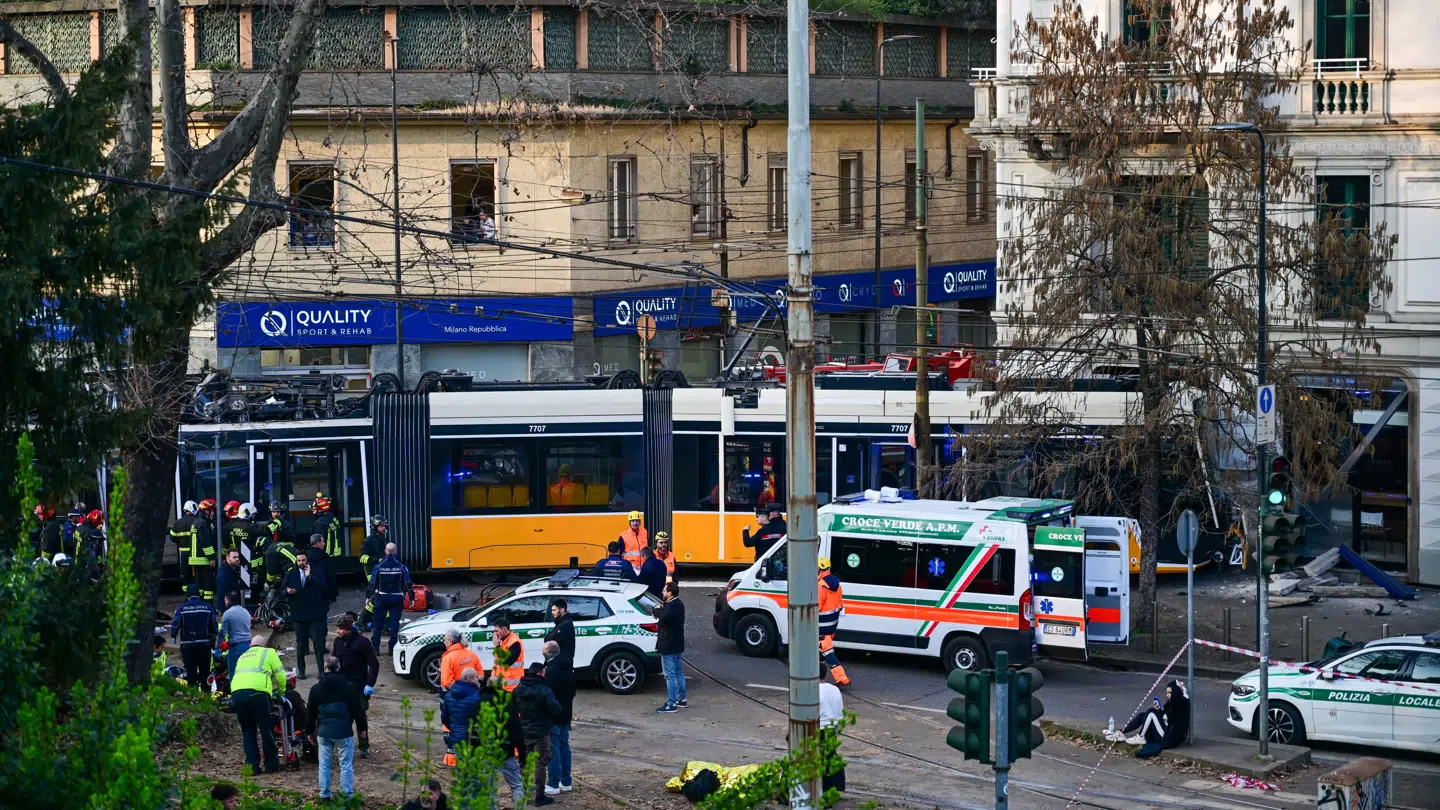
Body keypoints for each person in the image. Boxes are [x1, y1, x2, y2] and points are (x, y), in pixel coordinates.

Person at [306, 655, 367, 802]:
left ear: (325, 668)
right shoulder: (349, 687)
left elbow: (311, 713)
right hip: (343, 731)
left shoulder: (316, 689)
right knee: (345, 765)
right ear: (339, 667)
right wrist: (362, 729)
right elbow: (357, 711)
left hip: (324, 732)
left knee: (324, 764)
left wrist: (309, 731)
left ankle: (325, 794)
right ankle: (347, 795)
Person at [231, 635, 285, 774]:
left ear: (251, 645)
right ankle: (271, 764)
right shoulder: (269, 652)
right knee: (266, 730)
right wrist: (281, 693)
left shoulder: (243, 656)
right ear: (264, 645)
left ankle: (252, 767)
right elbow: (280, 675)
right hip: (258, 694)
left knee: (248, 732)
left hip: (237, 694)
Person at [514, 661, 562, 806]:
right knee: (540, 764)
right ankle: (539, 796)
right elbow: (556, 709)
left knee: (524, 763)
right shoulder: (544, 690)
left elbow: (513, 707)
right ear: (540, 673)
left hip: (524, 731)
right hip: (541, 732)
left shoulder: (517, 689)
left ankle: (523, 793)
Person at [332, 616, 378, 757]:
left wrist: (370, 684)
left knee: (360, 717)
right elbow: (335, 660)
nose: (338, 632)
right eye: (337, 629)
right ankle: (345, 744)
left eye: (341, 629)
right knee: (344, 716)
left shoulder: (362, 643)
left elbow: (374, 664)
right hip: (343, 685)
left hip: (359, 686)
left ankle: (364, 745)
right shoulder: (338, 642)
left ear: (349, 629)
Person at [285, 550, 328, 680]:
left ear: (307, 560)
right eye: (299, 561)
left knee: (318, 643)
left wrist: (310, 576)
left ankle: (321, 670)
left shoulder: (317, 570)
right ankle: (301, 671)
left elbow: (323, 586)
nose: (301, 563)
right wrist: (287, 591)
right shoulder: (291, 574)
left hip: (315, 614)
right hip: (299, 614)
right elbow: (282, 590)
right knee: (300, 644)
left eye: (303, 560)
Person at [1118, 681, 1191, 758]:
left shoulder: (1182, 702)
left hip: (1169, 736)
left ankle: (1141, 737)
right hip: (1165, 729)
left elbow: (1176, 710)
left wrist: (1180, 687)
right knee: (1143, 715)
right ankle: (1121, 733)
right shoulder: (1172, 702)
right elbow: (1167, 717)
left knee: (1151, 712)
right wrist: (1159, 710)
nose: (1167, 695)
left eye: (1169, 692)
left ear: (1175, 692)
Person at [542, 641, 575, 796]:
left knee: (553, 749)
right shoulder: (569, 667)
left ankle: (553, 783)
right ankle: (566, 781)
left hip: (554, 715)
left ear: (549, 653)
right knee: (564, 747)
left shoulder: (551, 670)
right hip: (566, 713)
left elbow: (547, 694)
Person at [171, 584, 219, 690]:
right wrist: (213, 639)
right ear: (198, 594)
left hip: (187, 645)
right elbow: (214, 626)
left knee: (191, 672)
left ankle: (193, 697)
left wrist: (173, 635)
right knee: (205, 673)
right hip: (204, 644)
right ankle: (206, 697)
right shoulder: (208, 607)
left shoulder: (181, 608)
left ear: (187, 595)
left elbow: (175, 624)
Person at [370, 542, 412, 654]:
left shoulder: (378, 566)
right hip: (397, 598)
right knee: (394, 624)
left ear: (385, 551)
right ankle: (392, 648)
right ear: (396, 551)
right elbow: (408, 583)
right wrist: (412, 597)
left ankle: (375, 648)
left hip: (381, 597)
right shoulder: (401, 566)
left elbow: (372, 583)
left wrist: (368, 596)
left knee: (378, 623)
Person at [653, 581, 687, 712]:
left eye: (664, 591)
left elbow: (663, 617)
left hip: (668, 644)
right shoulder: (678, 604)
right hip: (677, 643)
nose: (663, 592)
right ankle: (681, 699)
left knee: (669, 675)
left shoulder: (671, 606)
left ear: (670, 593)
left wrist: (656, 610)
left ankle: (671, 703)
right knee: (679, 673)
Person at [441, 666, 483, 768]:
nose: (478, 679)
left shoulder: (449, 694)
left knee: (461, 768)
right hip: (473, 739)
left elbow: (444, 718)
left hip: (456, 738)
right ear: (470, 679)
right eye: (476, 677)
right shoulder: (478, 696)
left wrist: (455, 729)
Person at [818, 556, 851, 686]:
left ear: (819, 569)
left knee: (827, 652)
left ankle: (842, 678)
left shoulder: (821, 585)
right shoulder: (836, 584)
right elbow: (840, 604)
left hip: (821, 626)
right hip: (832, 624)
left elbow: (818, 605)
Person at [818, 662, 847, 793]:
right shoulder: (834, 689)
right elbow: (840, 711)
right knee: (830, 756)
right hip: (832, 729)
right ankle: (838, 785)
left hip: (819, 729)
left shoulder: (813, 690)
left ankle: (825, 789)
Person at [358, 515, 388, 630]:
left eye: (384, 525)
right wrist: (375, 560)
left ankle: (385, 624)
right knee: (378, 598)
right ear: (375, 527)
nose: (383, 528)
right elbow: (361, 558)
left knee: (384, 597)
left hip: (382, 571)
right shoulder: (369, 541)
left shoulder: (382, 539)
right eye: (381, 526)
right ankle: (362, 621)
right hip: (372, 572)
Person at [220, 590, 253, 681]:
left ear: (228, 600)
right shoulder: (246, 612)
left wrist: (217, 647)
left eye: (225, 600)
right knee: (246, 673)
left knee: (234, 675)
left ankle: (235, 694)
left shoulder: (227, 613)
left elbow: (222, 632)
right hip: (248, 646)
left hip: (235, 648)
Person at [440, 627, 482, 692]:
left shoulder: (448, 658)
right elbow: (480, 675)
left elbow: (447, 683)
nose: (444, 642)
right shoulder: (472, 655)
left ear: (450, 641)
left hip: (456, 694)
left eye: (445, 640)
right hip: (473, 692)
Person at [491, 616, 524, 692]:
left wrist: (497, 646)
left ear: (504, 629)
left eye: (496, 631)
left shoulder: (515, 643)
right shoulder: (503, 640)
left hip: (510, 686)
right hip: (500, 684)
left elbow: (506, 661)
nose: (495, 634)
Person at [311, 494, 345, 561]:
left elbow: (317, 543)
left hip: (324, 556)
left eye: (314, 508)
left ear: (320, 510)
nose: (312, 510)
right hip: (336, 554)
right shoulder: (333, 518)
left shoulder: (319, 523)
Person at [545, 599, 575, 665]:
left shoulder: (564, 625)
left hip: (561, 664)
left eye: (554, 610)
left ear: (562, 610)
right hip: (561, 662)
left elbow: (548, 640)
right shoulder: (561, 622)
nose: (552, 613)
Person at [216, 549, 244, 613]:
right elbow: (221, 594)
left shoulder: (236, 568)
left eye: (238, 557)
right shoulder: (223, 574)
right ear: (227, 558)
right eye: (234, 557)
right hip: (227, 609)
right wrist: (223, 611)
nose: (237, 559)